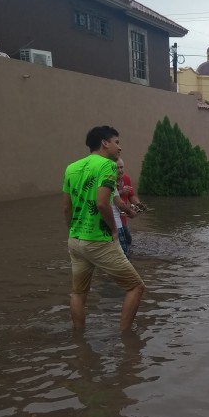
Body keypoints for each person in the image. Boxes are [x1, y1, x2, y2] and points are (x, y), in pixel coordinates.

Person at [62, 126, 146, 331]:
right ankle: (126, 340)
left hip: (75, 240)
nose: (120, 147)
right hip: (98, 239)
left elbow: (66, 207)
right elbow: (101, 203)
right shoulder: (108, 165)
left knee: (79, 293)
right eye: (117, 142)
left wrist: (72, 230)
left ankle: (79, 339)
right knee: (136, 287)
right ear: (104, 143)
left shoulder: (71, 168)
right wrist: (114, 230)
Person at [116, 157, 147, 249]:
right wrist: (121, 192)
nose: (120, 170)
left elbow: (131, 195)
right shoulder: (108, 181)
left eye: (121, 167)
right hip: (113, 219)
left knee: (128, 240)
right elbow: (108, 197)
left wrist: (138, 205)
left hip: (123, 218)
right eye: (117, 168)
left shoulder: (126, 178)